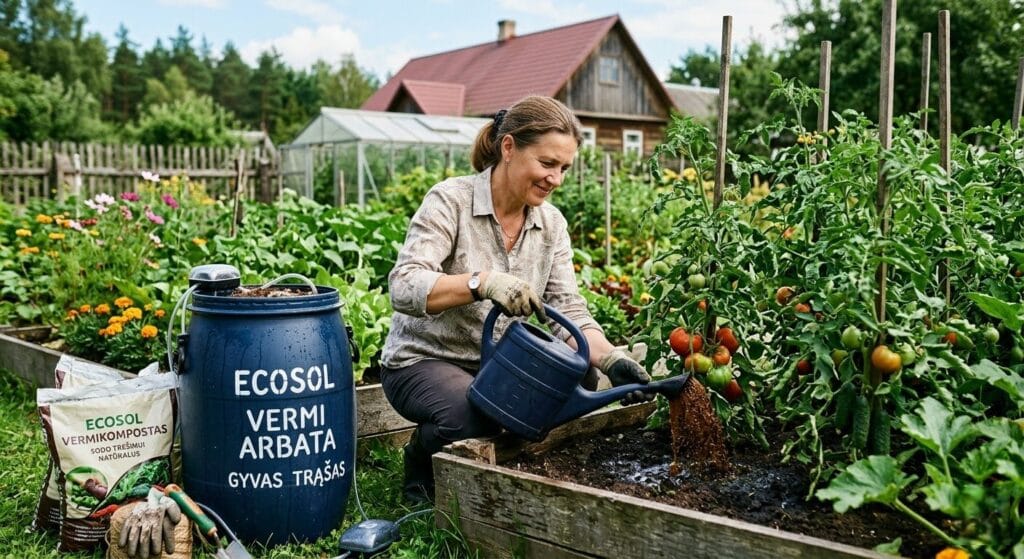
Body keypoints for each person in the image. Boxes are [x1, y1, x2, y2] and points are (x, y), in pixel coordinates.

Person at [381, 95, 652, 504]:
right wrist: (482, 282)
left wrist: (611, 358)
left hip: (499, 362)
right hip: (425, 359)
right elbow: (404, 286)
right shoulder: (450, 201)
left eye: (564, 168)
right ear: (508, 148)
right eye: (547, 164)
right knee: (471, 414)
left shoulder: (551, 224)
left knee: (580, 377)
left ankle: (497, 458)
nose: (556, 179)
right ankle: (420, 459)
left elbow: (569, 310)